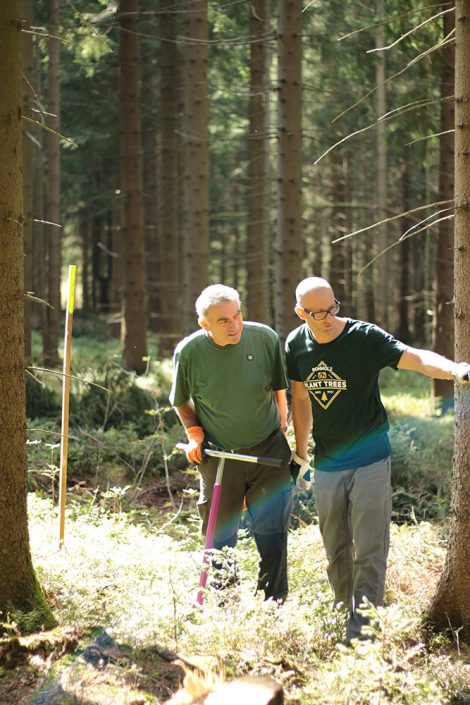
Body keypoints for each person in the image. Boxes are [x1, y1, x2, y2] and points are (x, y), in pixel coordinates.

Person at [285, 276, 470, 642]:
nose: (326, 318)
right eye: (316, 313)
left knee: (369, 547)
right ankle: (343, 614)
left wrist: (453, 369)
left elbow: (414, 358)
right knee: (334, 546)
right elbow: (301, 400)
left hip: (370, 459)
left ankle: (365, 633)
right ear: (300, 313)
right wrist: (301, 453)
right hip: (327, 462)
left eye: (332, 308)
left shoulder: (363, 337)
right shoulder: (296, 344)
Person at [170, 284, 292, 602]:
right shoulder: (190, 352)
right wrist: (194, 433)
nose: (235, 324)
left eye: (237, 314)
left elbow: (279, 385)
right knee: (220, 536)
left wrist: (282, 419)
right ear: (205, 324)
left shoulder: (264, 337)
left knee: (272, 534)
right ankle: (225, 604)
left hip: (268, 451)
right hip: (220, 455)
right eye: (223, 320)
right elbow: (180, 401)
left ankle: (273, 603)